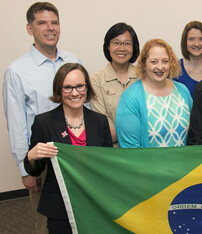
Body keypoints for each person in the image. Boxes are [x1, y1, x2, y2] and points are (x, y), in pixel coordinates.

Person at [2, 2, 80, 233]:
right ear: (29, 28)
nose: (50, 28)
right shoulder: (17, 71)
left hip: (76, 157)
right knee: (46, 223)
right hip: (44, 160)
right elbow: (16, 124)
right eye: (42, 23)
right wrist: (25, 170)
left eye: (54, 22)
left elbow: (84, 106)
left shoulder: (72, 61)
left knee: (79, 218)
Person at [23, 63, 112, 233]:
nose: (75, 93)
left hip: (94, 203)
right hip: (59, 206)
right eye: (68, 88)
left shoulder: (99, 121)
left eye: (80, 86)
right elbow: (35, 170)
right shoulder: (44, 122)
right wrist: (31, 157)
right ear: (59, 90)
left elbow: (106, 164)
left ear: (87, 87)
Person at [115, 39, 193, 148]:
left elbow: (194, 135)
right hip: (147, 165)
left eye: (165, 61)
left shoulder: (182, 91)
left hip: (183, 164)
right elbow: (131, 151)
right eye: (154, 62)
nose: (160, 67)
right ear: (143, 64)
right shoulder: (130, 98)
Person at [90, 22, 140, 146]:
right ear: (108, 46)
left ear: (134, 47)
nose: (121, 48)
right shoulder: (96, 79)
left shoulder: (142, 76)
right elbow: (102, 125)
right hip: (111, 152)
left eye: (127, 43)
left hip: (141, 149)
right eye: (116, 43)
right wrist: (133, 131)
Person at [175, 21, 202, 97]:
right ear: (185, 41)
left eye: (201, 39)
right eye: (191, 39)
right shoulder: (175, 69)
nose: (196, 44)